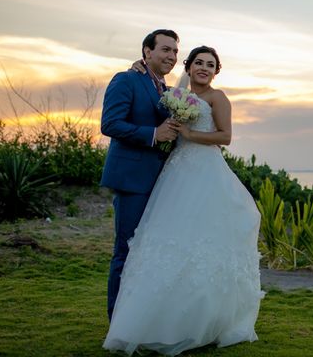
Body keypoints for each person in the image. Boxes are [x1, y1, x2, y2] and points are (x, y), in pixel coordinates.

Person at [103, 46, 263, 355]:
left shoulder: (218, 98)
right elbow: (158, 107)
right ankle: (155, 320)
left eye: (210, 64)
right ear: (188, 67)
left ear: (216, 71)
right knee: (167, 241)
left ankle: (204, 321)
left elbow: (225, 136)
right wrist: (139, 65)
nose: (204, 68)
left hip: (205, 172)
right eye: (199, 62)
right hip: (174, 173)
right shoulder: (174, 92)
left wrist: (191, 135)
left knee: (203, 242)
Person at [101, 29, 180, 321]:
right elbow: (110, 123)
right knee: (127, 250)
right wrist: (153, 134)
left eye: (175, 52)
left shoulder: (169, 92)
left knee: (151, 252)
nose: (171, 56)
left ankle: (141, 319)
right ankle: (118, 323)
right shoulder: (127, 80)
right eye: (165, 49)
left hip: (163, 183)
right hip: (132, 180)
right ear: (147, 51)